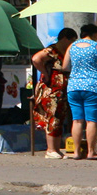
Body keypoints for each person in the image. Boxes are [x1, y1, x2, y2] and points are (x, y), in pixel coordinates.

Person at [61, 23, 97, 160]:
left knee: (77, 120)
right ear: (95, 34)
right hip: (92, 87)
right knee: (91, 121)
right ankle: (91, 152)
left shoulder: (72, 47)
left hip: (74, 86)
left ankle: (76, 152)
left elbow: (65, 67)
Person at [32, 27, 77, 159]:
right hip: (51, 89)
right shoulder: (52, 50)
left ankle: (56, 149)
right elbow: (36, 59)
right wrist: (45, 73)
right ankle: (50, 149)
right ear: (64, 39)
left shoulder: (66, 52)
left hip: (61, 90)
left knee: (59, 118)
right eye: (71, 40)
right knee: (52, 117)